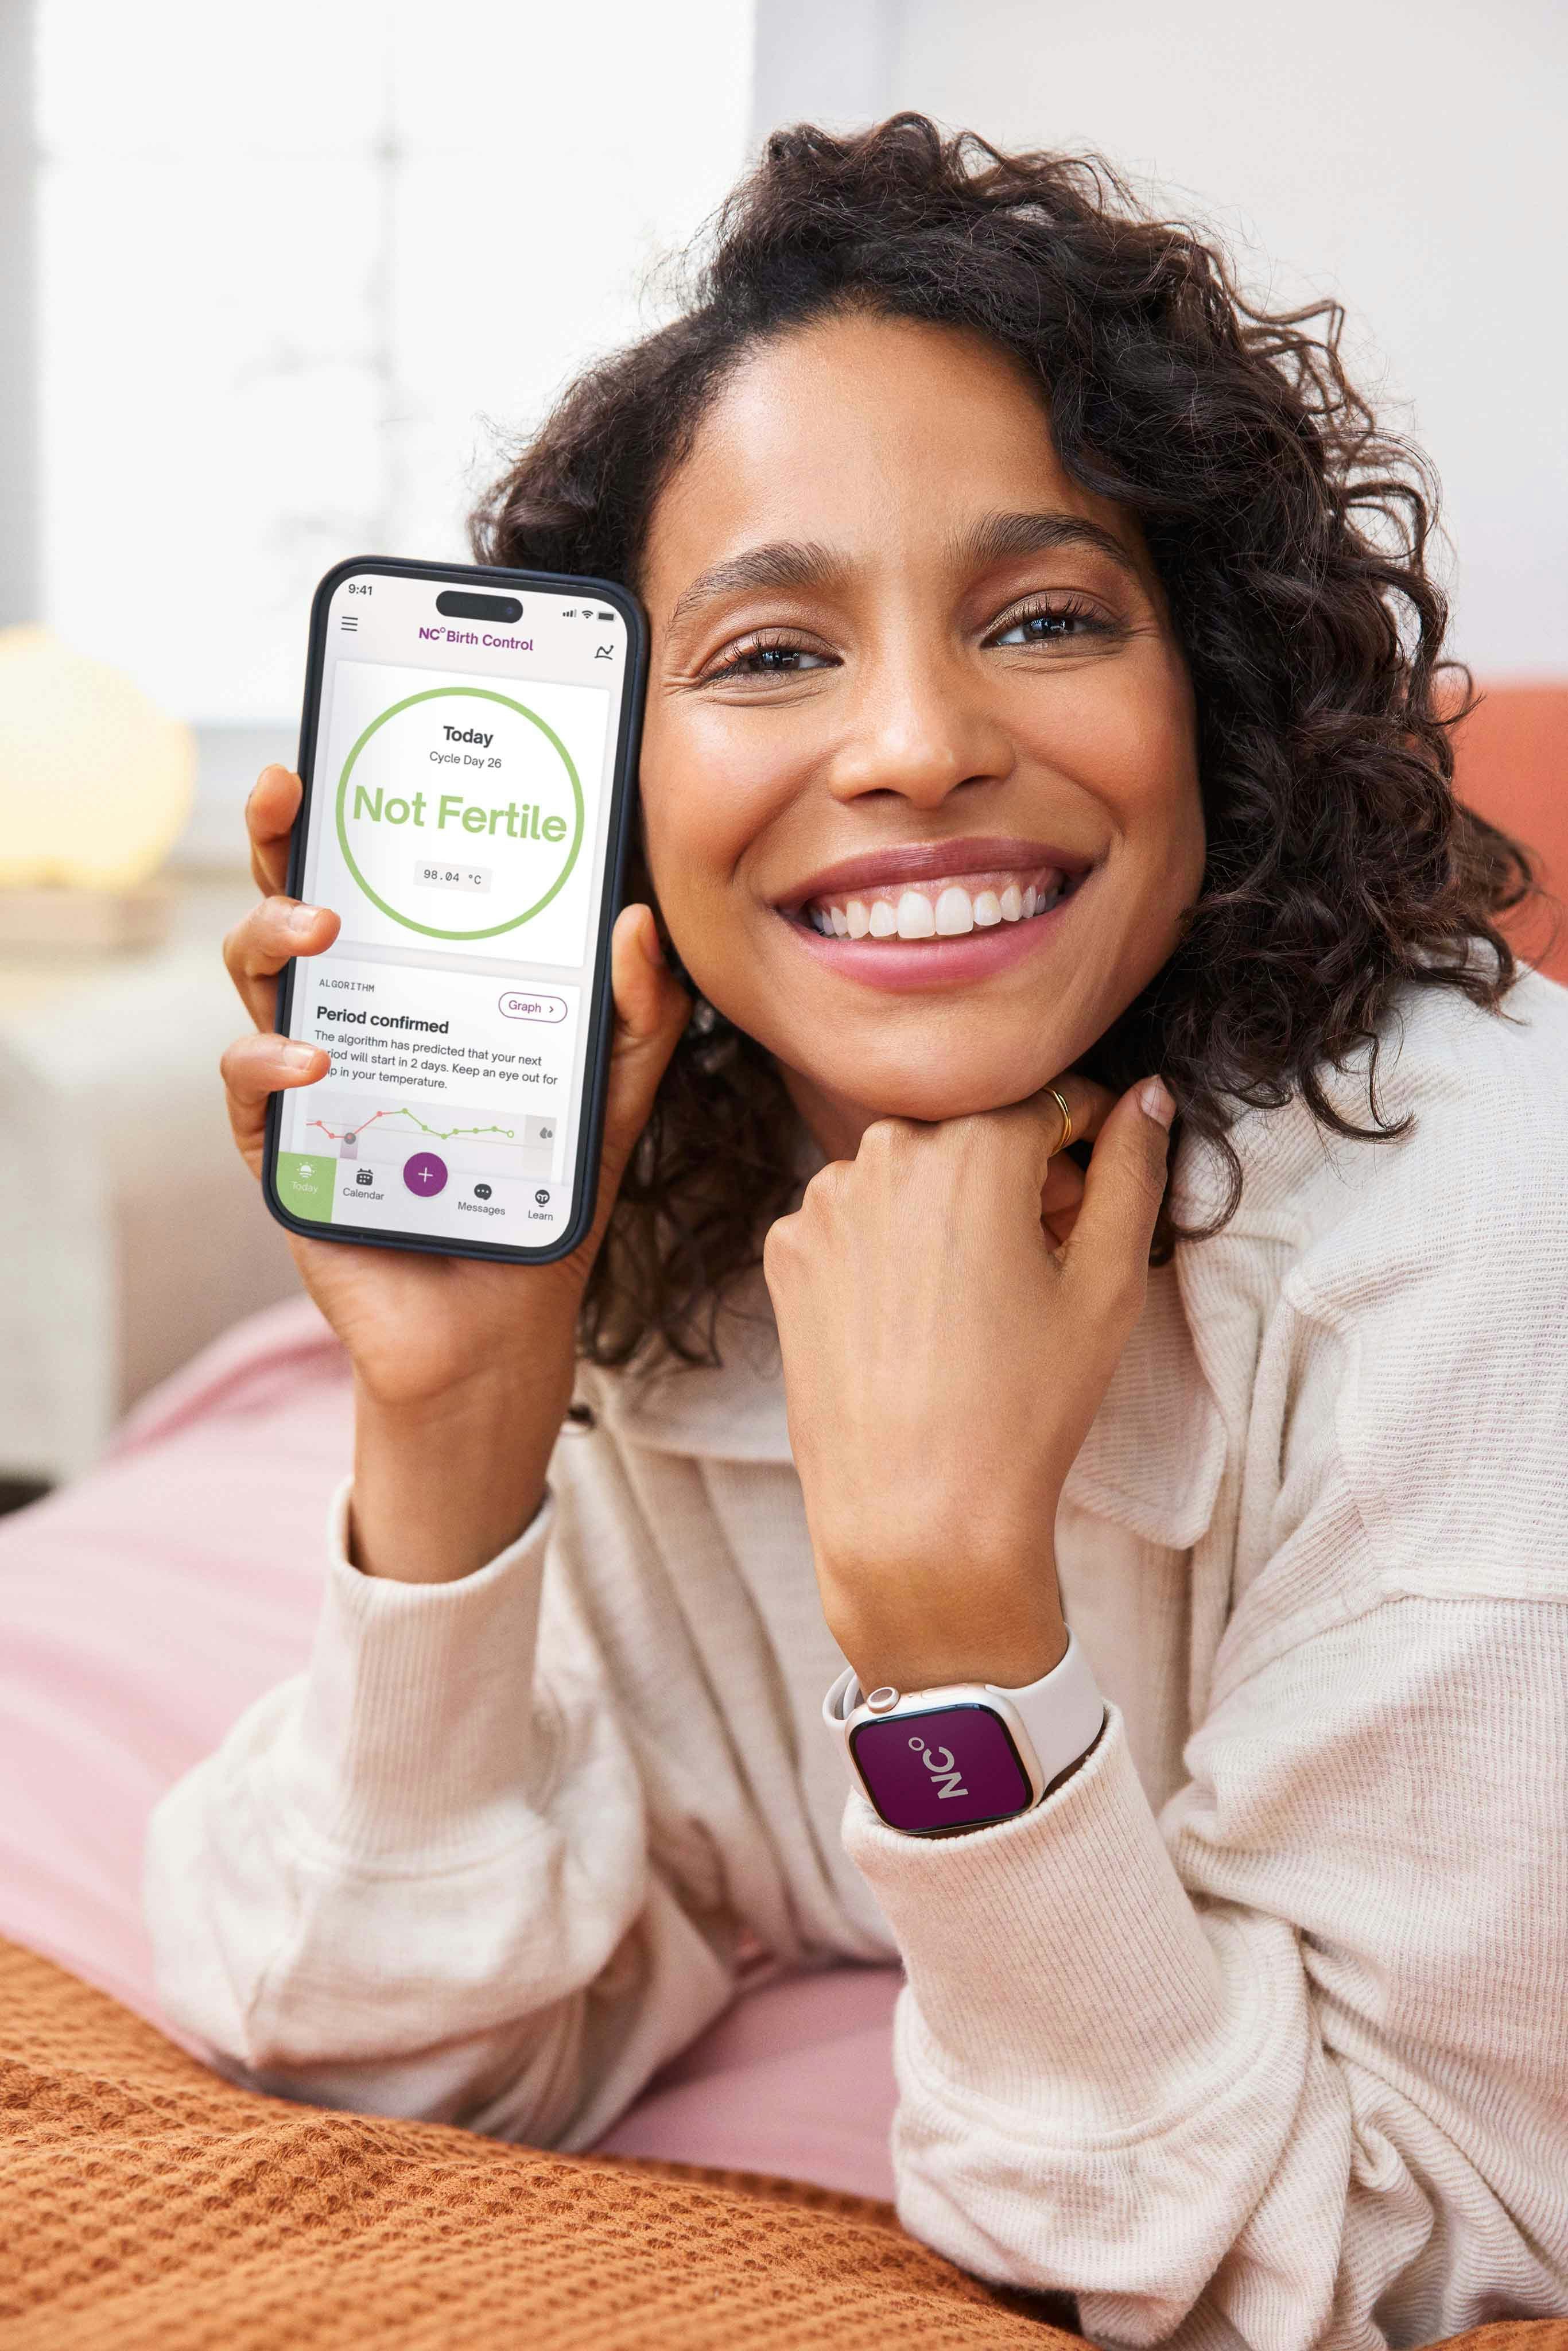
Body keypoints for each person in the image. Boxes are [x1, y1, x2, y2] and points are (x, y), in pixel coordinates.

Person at [145, 118, 1568, 2349]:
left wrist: (955, 1647)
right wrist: (450, 1417)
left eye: (1038, 617)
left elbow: (1379, 2245)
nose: (912, 743)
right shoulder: (693, 1206)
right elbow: (370, 2048)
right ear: (626, 784)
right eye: (771, 652)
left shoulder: (1478, 1234)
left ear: (1210, 699)